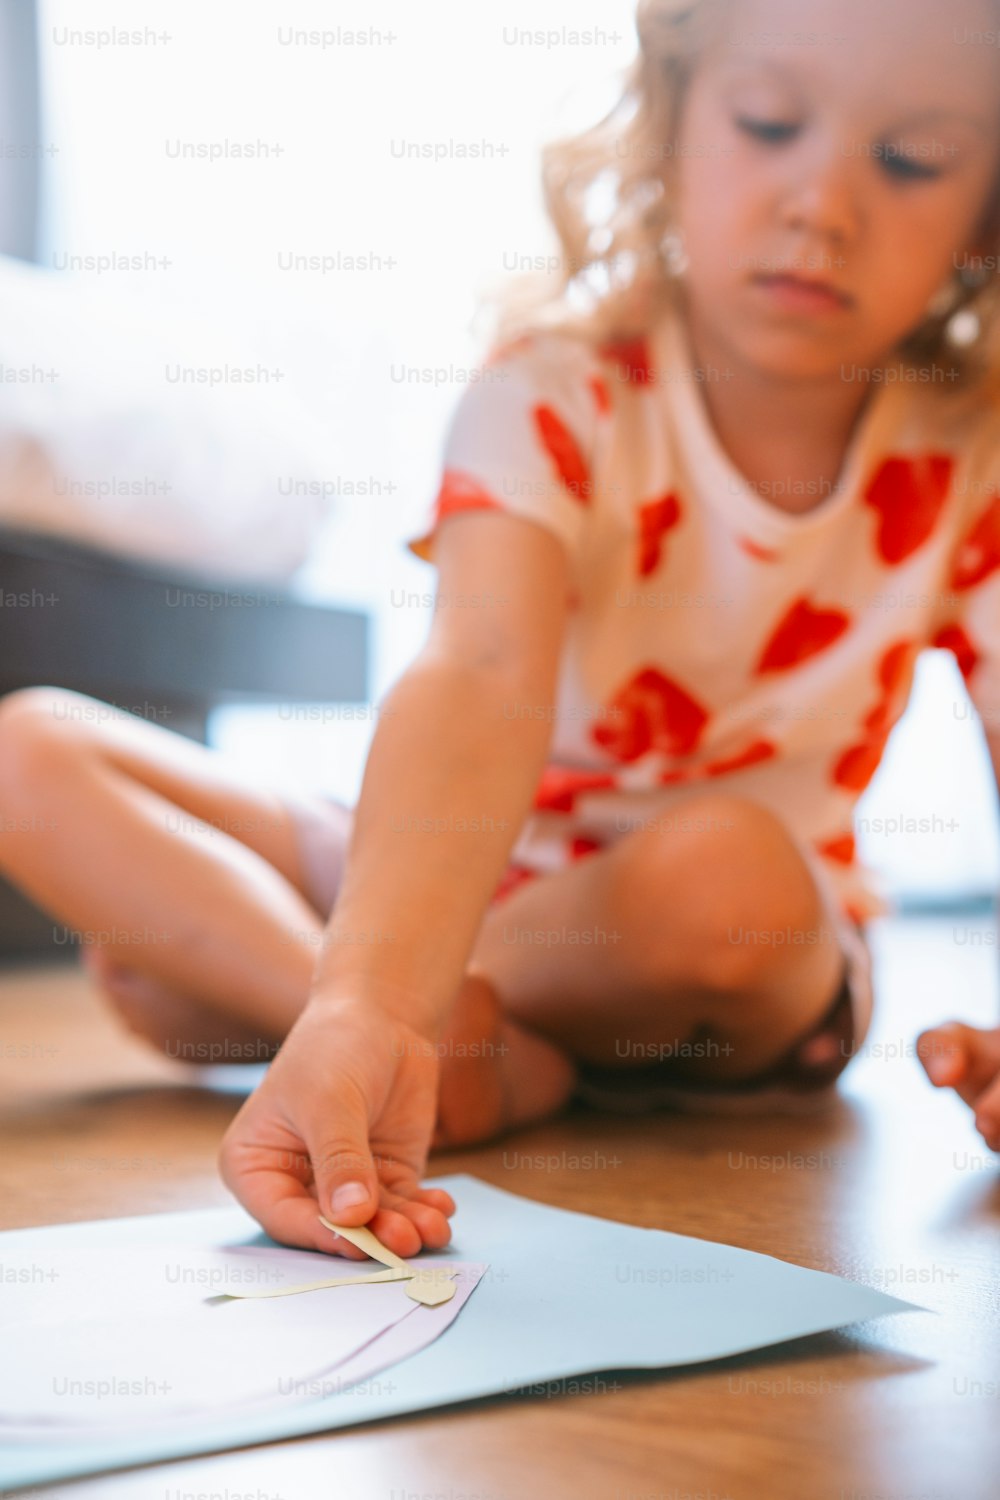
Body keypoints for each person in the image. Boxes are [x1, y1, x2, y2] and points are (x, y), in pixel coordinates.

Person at [1, 0, 999, 1257]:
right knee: (29, 751)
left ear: (986, 215)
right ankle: (411, 1038)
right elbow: (478, 673)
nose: (823, 204)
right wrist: (371, 992)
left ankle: (338, 1010)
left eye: (909, 161)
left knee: (724, 871)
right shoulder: (552, 385)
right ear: (671, 121)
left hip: (721, 951)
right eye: (766, 124)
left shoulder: (970, 453)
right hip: (464, 875)